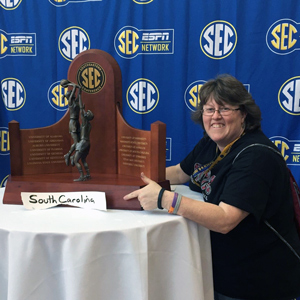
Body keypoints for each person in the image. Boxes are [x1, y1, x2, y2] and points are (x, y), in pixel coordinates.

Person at [124, 74, 300, 300]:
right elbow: (180, 172)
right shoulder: (211, 142)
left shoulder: (256, 156)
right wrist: (131, 176)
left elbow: (226, 219)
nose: (215, 117)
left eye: (224, 108)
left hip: (257, 282)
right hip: (217, 271)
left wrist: (164, 199)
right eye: (209, 109)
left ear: (243, 114)